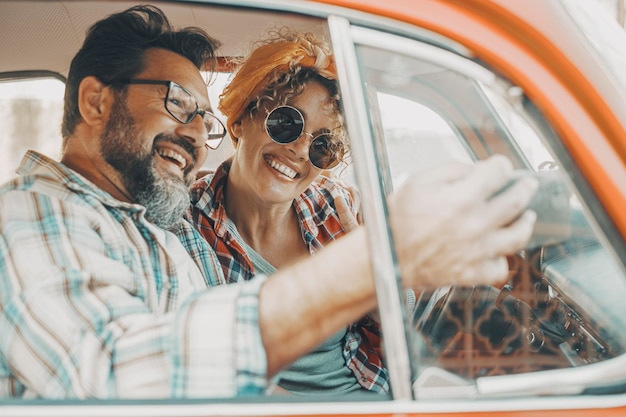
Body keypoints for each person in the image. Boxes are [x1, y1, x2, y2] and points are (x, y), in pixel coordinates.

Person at [0, 5, 538, 399]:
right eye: (177, 104)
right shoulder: (30, 216)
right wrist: (369, 261)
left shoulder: (144, 221)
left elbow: (421, 311)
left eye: (325, 146)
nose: (192, 134)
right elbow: (116, 380)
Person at [186, 29, 384, 395]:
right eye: (286, 123)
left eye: (323, 146)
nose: (299, 151)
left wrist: (379, 285)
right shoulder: (187, 225)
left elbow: (404, 325)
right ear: (241, 118)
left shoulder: (340, 210)